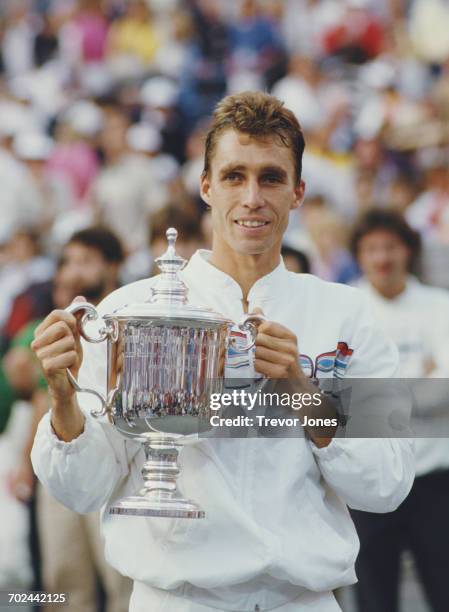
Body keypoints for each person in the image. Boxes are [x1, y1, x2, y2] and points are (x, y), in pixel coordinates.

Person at [31, 91, 414, 612]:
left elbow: (388, 484)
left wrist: (303, 396)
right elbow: (81, 489)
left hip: (303, 600)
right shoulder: (132, 310)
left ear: (298, 191)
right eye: (235, 176)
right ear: (206, 186)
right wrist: (63, 401)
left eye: (271, 177)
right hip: (174, 599)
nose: (252, 197)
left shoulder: (347, 313)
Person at [11, 227, 132, 612]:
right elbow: (39, 397)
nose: (71, 273)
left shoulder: (128, 319)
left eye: (84, 262)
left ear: (112, 267)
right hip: (60, 461)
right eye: (66, 262)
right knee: (62, 581)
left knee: (120, 581)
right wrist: (25, 464)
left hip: (113, 463)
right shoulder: (51, 324)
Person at [349, 209, 449, 612]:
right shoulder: (348, 306)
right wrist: (419, 379)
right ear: (359, 256)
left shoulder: (438, 305)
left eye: (390, 247)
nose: (382, 258)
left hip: (433, 475)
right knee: (374, 595)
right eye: (371, 249)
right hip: (368, 476)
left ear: (407, 251)